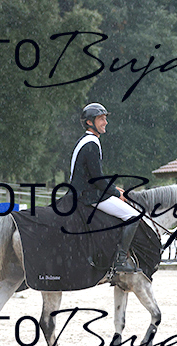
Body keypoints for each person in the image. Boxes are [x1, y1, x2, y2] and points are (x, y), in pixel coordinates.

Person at [69, 103, 141, 273]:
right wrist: (115, 193)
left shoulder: (86, 140)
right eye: (101, 119)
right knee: (134, 216)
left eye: (105, 118)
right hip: (88, 195)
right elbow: (98, 180)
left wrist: (115, 189)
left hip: (84, 191)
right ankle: (120, 260)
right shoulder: (91, 144)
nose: (105, 122)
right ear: (89, 122)